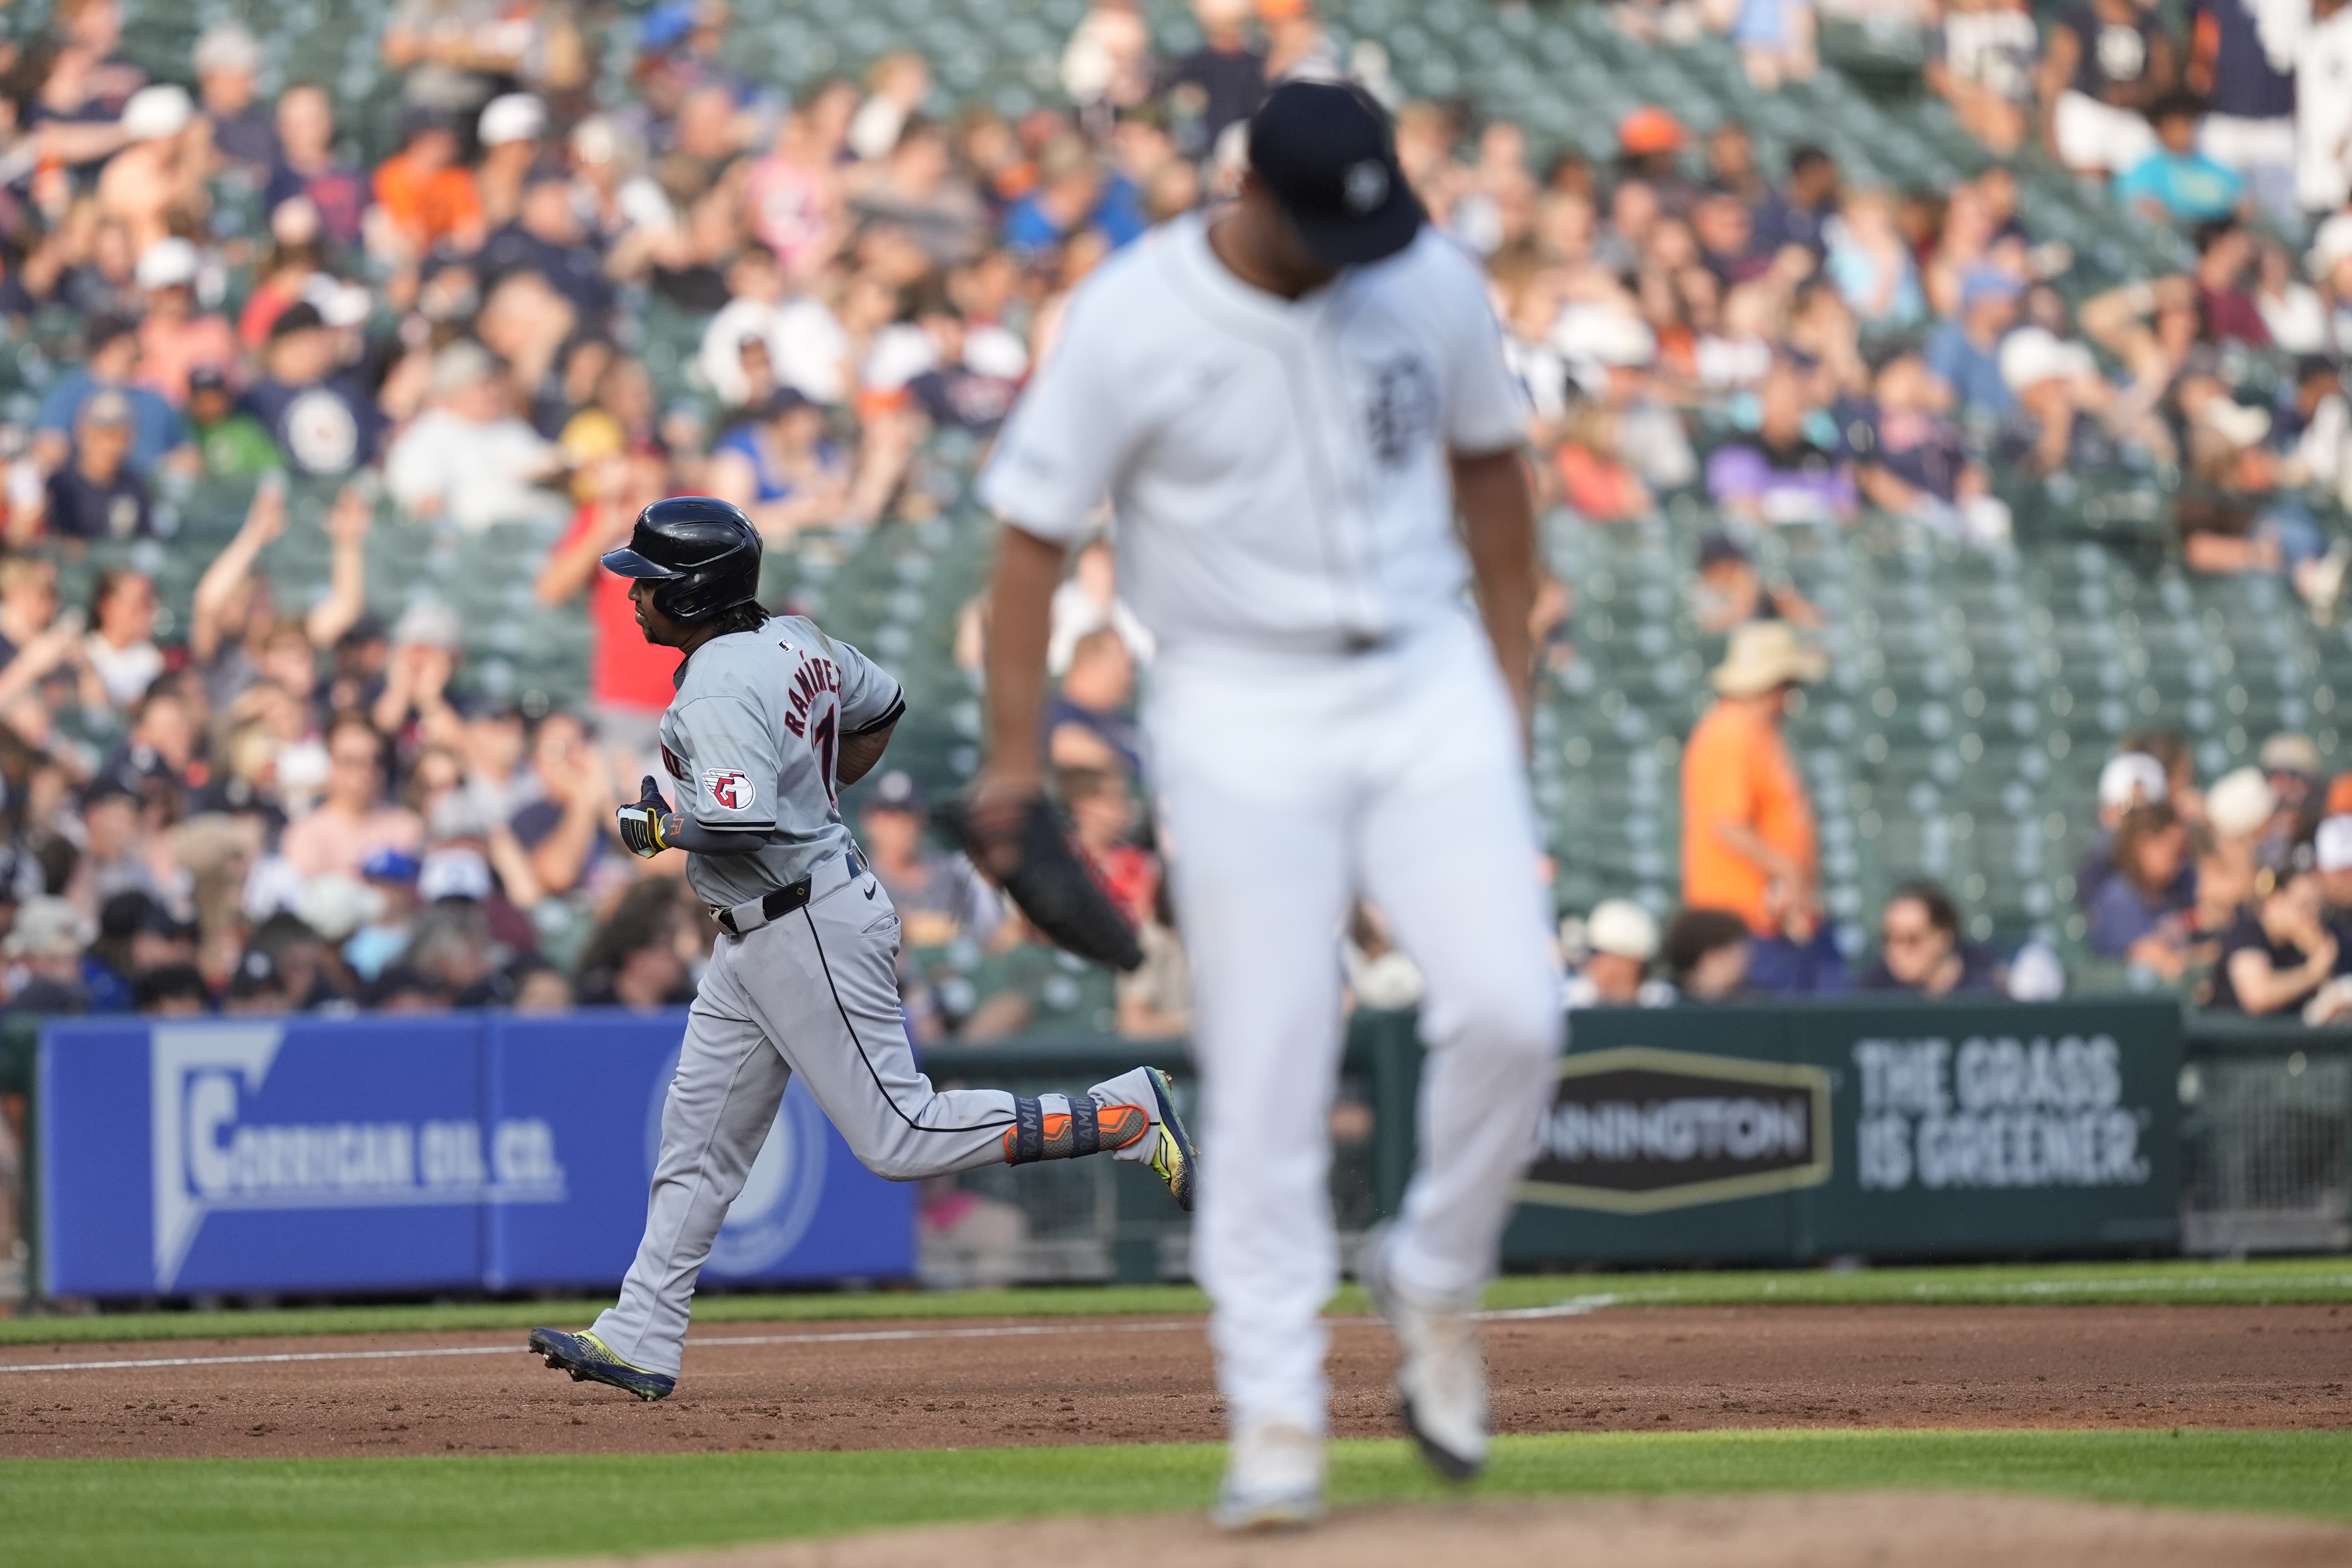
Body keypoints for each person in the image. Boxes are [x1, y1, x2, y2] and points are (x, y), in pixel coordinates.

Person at [972, 82, 1562, 1524]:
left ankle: (1430, 1270)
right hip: (1236, 698)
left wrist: (1503, 689)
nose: (1359, 245)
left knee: (1513, 1009)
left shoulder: (1419, 272)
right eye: (1325, 222)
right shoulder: (1130, 316)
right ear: (1250, 192)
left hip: (1422, 674)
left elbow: (1492, 473)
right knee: (1273, 1061)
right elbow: (1029, 542)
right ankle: (1276, 1411)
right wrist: (1010, 763)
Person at [527, 497, 1193, 1401]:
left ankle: (1123, 1113)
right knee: (699, 1140)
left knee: (900, 1135)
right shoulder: (796, 638)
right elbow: (882, 702)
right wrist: (819, 783)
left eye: (647, 582)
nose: (634, 596)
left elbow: (741, 816)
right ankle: (641, 1330)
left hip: (801, 918)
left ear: (690, 592)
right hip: (764, 925)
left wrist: (661, 826)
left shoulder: (716, 682)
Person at [1682, 620, 1844, 994]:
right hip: (1748, 929)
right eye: (1790, 684)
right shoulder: (1730, 732)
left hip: (1774, 922)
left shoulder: (1757, 733)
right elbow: (1726, 826)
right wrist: (1789, 873)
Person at [2209, 841, 2339, 1014]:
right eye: (2304, 906)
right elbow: (2258, 996)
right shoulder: (2246, 930)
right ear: (2275, 900)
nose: (2313, 916)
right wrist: (2312, 974)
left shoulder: (2311, 942)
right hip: (2236, 1038)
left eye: (2318, 907)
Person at [2086, 799, 2199, 979]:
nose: (2181, 863)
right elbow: (2165, 965)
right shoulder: (2118, 900)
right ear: (2143, 847)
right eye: (2175, 854)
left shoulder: (2181, 885)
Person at [2115, 93, 2247, 224]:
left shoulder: (2216, 169)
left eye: (2187, 125)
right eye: (2175, 127)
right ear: (2161, 130)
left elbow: (2243, 203)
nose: (2183, 133)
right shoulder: (2145, 170)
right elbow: (2132, 201)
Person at [1856, 881, 2007, 996]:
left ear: (1944, 938)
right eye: (1888, 939)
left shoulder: (1988, 984)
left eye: (1912, 939)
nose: (1896, 950)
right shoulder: (1873, 992)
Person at [1563, 898, 1674, 1008]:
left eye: (1596, 952)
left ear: (1630, 962)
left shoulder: (1665, 1004)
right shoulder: (1571, 1001)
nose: (1591, 961)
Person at [1663, 907, 1751, 1001]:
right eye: (1733, 952)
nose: (1745, 958)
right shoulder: (1660, 1002)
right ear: (1707, 959)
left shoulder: (1751, 1003)